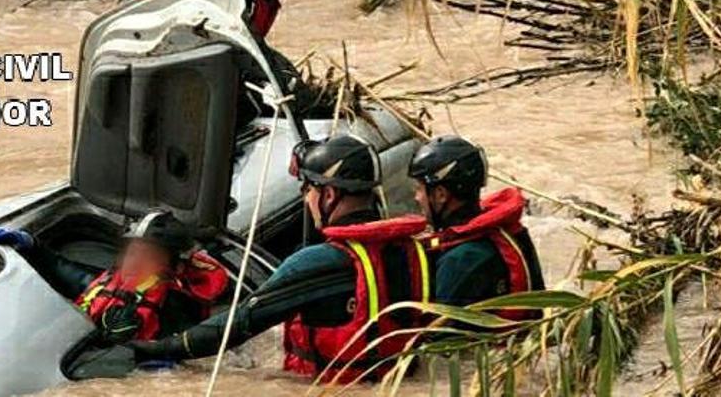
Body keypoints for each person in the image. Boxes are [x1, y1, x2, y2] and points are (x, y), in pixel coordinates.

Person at [129, 136, 431, 383]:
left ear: (328, 195)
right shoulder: (413, 249)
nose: (306, 199)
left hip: (328, 387)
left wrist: (157, 348)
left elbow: (235, 327)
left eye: (308, 189)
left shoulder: (318, 262)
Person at [128, 0, 313, 124]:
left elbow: (248, 45)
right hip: (144, 57)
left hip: (167, 62)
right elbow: (234, 44)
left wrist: (285, 77)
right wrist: (279, 80)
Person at [0, 210, 229, 344]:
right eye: (133, 252)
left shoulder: (178, 307)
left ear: (171, 265)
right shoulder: (114, 282)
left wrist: (120, 342)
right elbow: (69, 274)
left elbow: (175, 366)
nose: (135, 261)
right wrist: (30, 246)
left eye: (147, 255)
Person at [408, 136, 545, 319]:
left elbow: (440, 333)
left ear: (440, 194)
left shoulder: (461, 259)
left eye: (419, 189)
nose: (417, 198)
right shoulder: (511, 232)